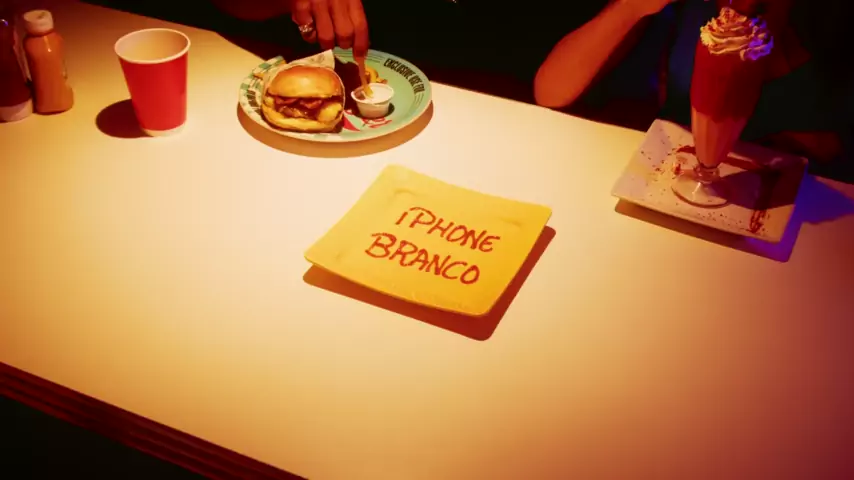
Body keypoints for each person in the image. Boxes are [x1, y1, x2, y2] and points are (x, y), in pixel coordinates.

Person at [534, 0, 854, 166]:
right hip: (678, 183)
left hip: (802, 211)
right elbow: (550, 91)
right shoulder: (687, 9)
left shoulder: (832, 18)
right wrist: (629, 8)